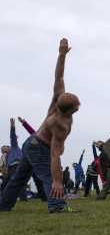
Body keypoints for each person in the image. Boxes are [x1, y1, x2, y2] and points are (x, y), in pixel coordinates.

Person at [0, 38, 81, 213]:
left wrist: (62, 55)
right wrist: (58, 181)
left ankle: (3, 206)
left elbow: (59, 76)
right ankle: (57, 206)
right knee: (49, 176)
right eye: (77, 104)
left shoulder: (58, 100)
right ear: (69, 111)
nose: (79, 104)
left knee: (18, 179)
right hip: (38, 148)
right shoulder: (60, 125)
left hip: (32, 143)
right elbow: (54, 155)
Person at [2, 119, 27, 201]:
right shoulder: (7, 156)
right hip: (10, 167)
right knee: (6, 183)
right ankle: (5, 198)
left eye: (4, 148)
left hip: (16, 165)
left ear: (8, 147)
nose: (4, 150)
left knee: (16, 181)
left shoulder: (14, 147)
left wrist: (12, 126)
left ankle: (23, 198)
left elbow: (12, 137)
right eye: (2, 150)